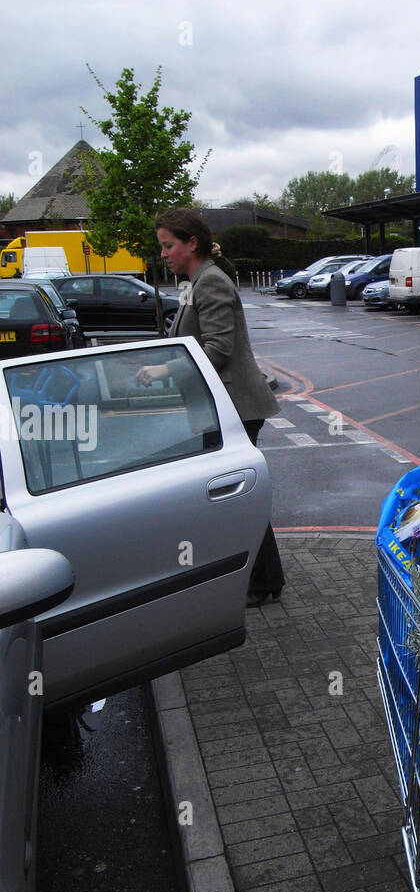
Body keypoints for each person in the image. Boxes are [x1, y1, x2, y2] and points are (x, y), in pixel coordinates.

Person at [141, 208, 285, 607]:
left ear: (192, 244)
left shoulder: (210, 283)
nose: (164, 254)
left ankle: (263, 582)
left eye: (169, 245)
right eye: (162, 247)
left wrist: (163, 370)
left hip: (234, 407)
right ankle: (264, 578)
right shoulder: (198, 281)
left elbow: (218, 350)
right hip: (222, 407)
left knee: (236, 495)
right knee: (234, 495)